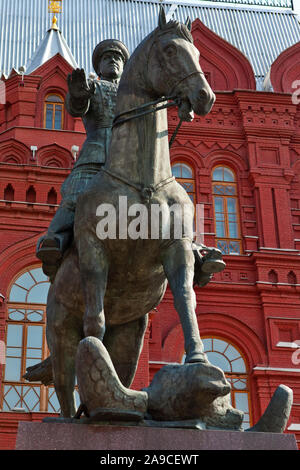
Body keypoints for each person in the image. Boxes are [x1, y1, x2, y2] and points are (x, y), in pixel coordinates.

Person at [36, 39, 130, 280]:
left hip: (130, 160)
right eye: (107, 58)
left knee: (164, 194)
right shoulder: (92, 86)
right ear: (99, 67)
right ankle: (55, 240)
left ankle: (192, 249)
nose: (113, 61)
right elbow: (78, 107)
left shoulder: (133, 94)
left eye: (117, 58)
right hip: (95, 156)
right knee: (76, 194)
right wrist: (78, 94)